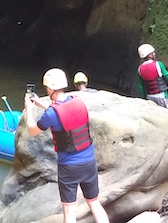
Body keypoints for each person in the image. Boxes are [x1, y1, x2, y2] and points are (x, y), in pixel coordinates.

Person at [25, 68, 111, 223]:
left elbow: (32, 130)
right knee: (94, 203)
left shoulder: (51, 113)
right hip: (89, 162)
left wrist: (29, 109)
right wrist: (42, 104)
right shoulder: (77, 101)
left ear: (50, 88)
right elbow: (63, 114)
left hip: (69, 167)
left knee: (69, 212)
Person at [136, 44, 168, 109]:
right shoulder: (158, 64)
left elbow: (141, 88)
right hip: (162, 97)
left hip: (150, 99)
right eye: (152, 53)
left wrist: (145, 99)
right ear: (150, 55)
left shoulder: (139, 69)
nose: (154, 54)